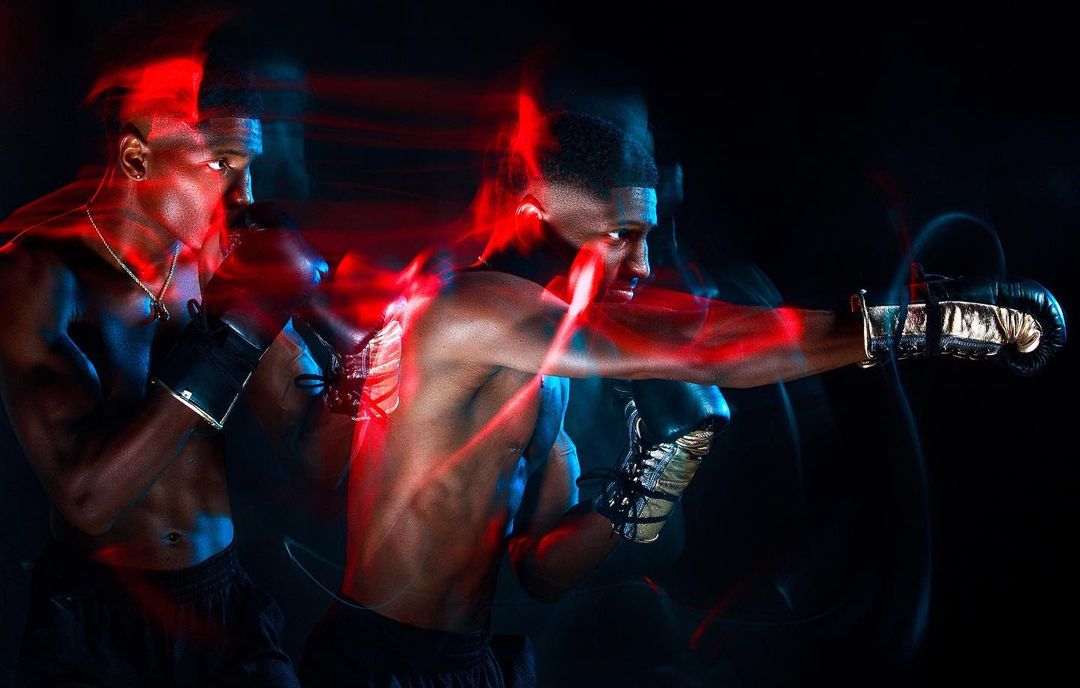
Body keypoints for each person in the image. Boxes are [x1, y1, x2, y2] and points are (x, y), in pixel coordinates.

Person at [297, 111, 1065, 687]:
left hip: (471, 662)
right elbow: (700, 343)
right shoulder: (471, 313)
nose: (642, 261)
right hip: (375, 662)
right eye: (621, 236)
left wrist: (643, 487)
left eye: (648, 235)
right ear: (539, 217)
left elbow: (540, 571)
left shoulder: (544, 372)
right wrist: (921, 326)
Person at [0, 50, 329, 686]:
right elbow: (88, 500)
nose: (246, 196)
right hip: (100, 621)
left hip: (224, 604)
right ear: (136, 158)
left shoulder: (214, 261)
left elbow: (315, 456)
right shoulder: (35, 277)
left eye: (250, 170)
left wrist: (366, 361)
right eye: (222, 165)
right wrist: (240, 333)